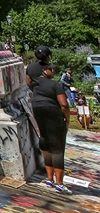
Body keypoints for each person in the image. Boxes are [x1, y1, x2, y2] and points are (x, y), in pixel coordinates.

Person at [31, 64, 71, 192]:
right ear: (45, 70)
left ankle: (50, 179)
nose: (54, 72)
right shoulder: (56, 85)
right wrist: (67, 119)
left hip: (40, 117)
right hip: (55, 118)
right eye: (52, 69)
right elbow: (64, 105)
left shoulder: (35, 84)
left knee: (45, 144)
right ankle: (59, 183)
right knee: (57, 149)